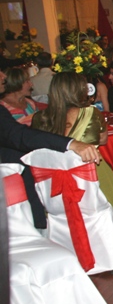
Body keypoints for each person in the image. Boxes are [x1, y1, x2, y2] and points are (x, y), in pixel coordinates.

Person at [32, 72, 113, 255]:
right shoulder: (90, 113)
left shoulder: (39, 118)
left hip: (54, 180)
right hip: (89, 173)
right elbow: (103, 139)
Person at [0, 69, 101, 229]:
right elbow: (18, 135)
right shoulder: (89, 112)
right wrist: (71, 143)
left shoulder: (34, 108)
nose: (3, 76)